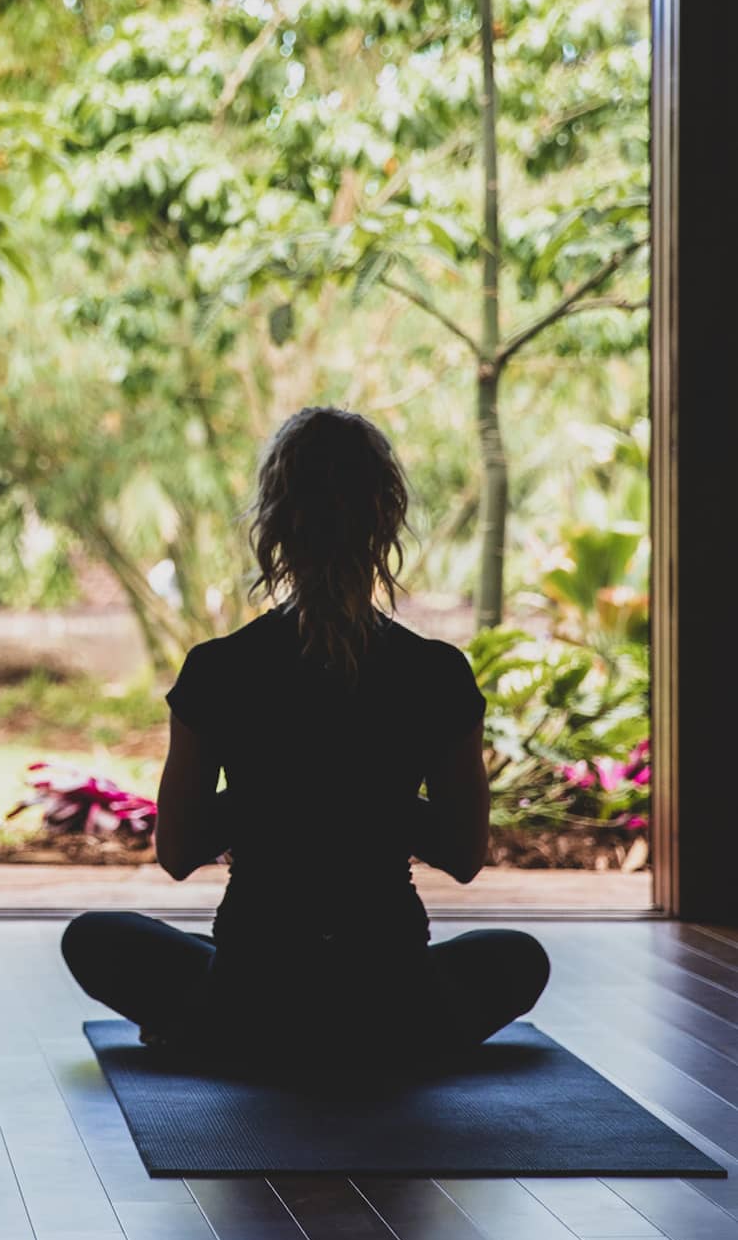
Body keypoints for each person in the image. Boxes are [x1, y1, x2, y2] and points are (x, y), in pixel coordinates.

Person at [62, 407, 549, 1067]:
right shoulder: (434, 671)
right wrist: (366, 793)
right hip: (391, 996)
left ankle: (216, 1030)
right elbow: (463, 855)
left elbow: (177, 852)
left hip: (251, 993)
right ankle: (386, 1041)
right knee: (519, 959)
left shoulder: (220, 667)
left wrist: (274, 791)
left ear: (276, 525)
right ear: (386, 520)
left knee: (95, 939)